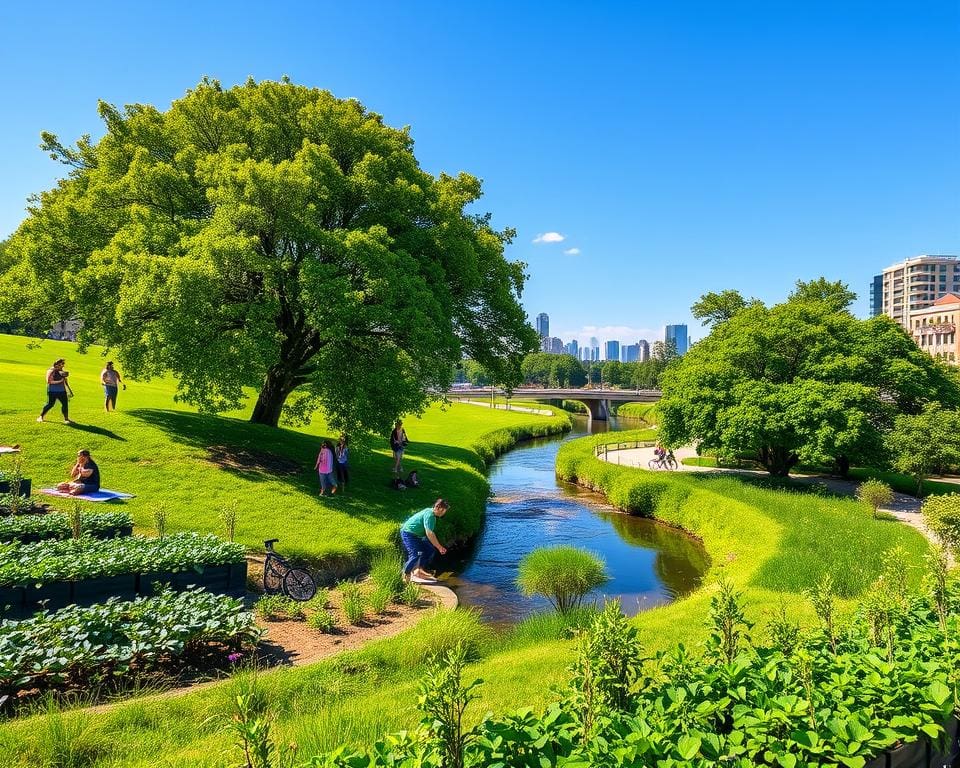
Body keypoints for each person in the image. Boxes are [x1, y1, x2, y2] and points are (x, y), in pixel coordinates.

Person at [400, 498, 449, 583]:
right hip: (409, 533)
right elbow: (429, 533)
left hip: (417, 535)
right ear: (438, 508)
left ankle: (418, 571)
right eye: (443, 510)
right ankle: (405, 575)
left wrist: (435, 545)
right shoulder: (430, 515)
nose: (444, 513)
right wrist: (440, 547)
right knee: (415, 554)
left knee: (429, 549)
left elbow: (428, 534)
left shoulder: (431, 512)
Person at [38, 359, 71, 424]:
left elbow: (63, 379)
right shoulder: (51, 371)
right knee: (50, 404)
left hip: (62, 391)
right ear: (57, 364)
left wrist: (65, 379)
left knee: (65, 404)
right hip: (53, 391)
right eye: (62, 364)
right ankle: (41, 417)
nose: (63, 366)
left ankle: (66, 419)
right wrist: (60, 381)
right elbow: (49, 381)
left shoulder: (60, 371)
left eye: (63, 364)